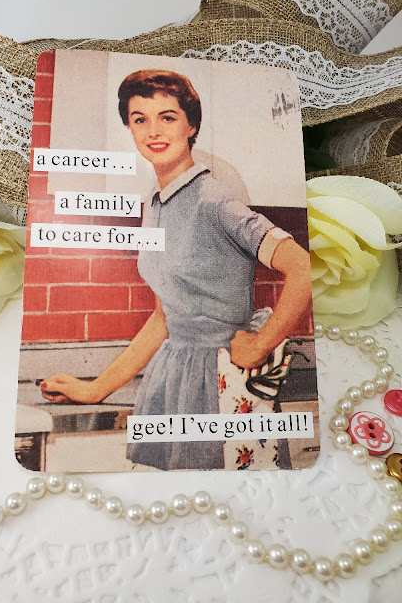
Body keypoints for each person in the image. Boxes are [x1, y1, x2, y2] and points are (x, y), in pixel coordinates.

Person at [40, 69, 312, 470]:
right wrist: (94, 388)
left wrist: (260, 344)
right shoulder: (156, 203)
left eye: (167, 117)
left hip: (221, 379)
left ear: (192, 124)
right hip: (169, 377)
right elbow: (163, 318)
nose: (153, 130)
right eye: (140, 119)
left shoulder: (215, 200)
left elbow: (303, 268)